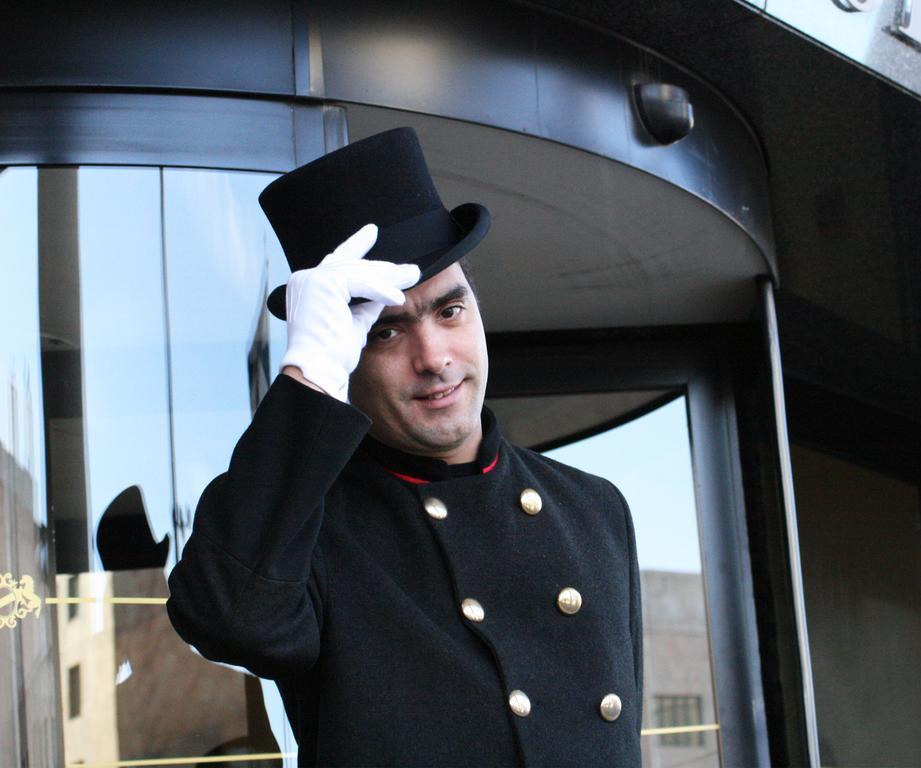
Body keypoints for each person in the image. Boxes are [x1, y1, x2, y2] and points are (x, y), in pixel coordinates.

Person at [166, 128, 643, 767]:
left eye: (451, 312)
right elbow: (228, 617)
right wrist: (309, 376)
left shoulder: (592, 507)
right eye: (386, 332)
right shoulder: (311, 529)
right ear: (346, 352)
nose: (435, 359)